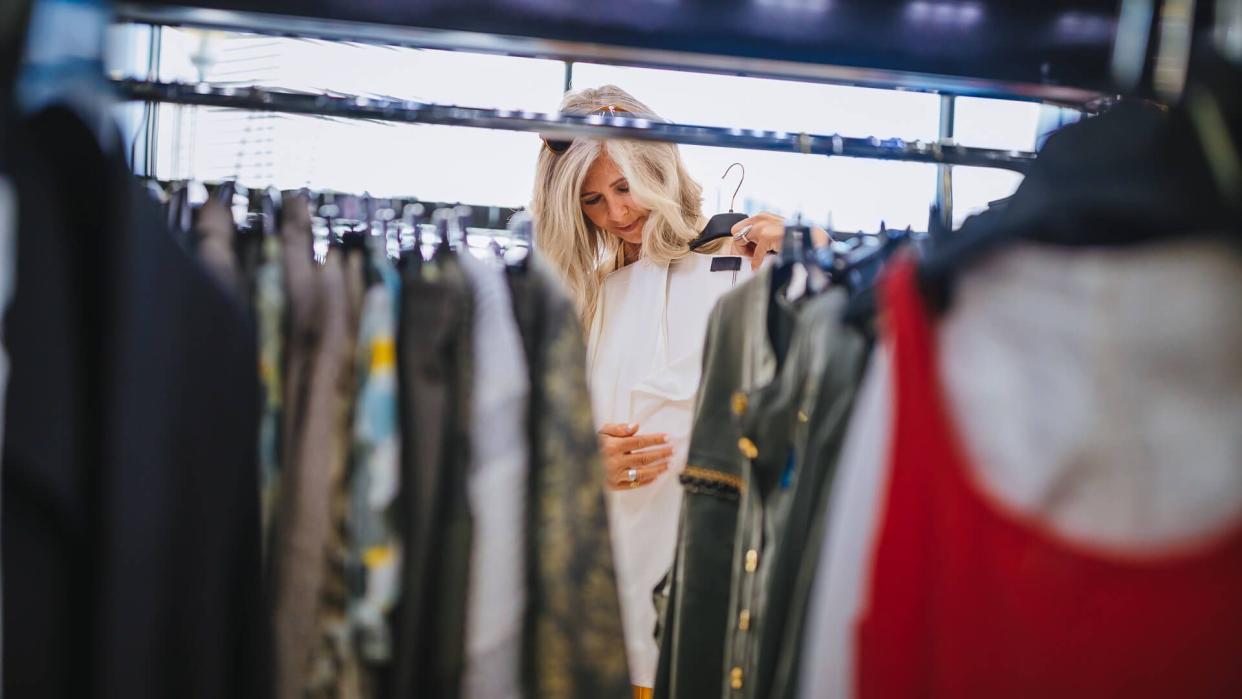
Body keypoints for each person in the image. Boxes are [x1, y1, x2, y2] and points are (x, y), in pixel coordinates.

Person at [531, 84, 823, 695]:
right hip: (614, 602)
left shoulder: (747, 262)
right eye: (592, 200)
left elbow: (815, 395)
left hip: (729, 586)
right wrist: (583, 462)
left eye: (624, 185)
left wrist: (806, 254)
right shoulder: (587, 301)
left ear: (657, 166)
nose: (617, 213)